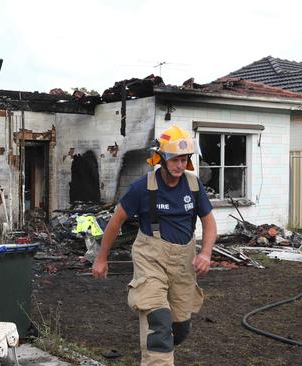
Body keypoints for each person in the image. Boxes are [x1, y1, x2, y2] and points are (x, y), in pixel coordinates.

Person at [92, 125, 217, 366]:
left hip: (183, 264)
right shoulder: (142, 188)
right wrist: (101, 257)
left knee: (179, 329)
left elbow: (209, 222)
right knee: (158, 324)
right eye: (174, 159)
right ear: (161, 158)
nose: (179, 165)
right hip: (151, 261)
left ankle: (162, 344)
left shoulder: (193, 185)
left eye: (184, 159)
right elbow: (116, 222)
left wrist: (206, 252)